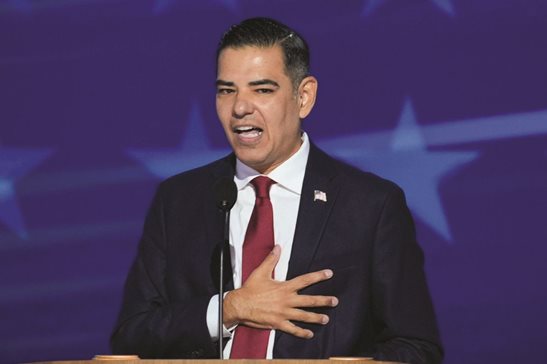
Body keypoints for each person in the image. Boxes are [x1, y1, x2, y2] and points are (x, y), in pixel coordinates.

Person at [111, 17, 443, 364]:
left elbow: (416, 346)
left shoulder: (370, 206)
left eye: (262, 90)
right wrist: (228, 309)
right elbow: (131, 337)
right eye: (226, 90)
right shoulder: (179, 201)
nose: (240, 107)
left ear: (304, 97)